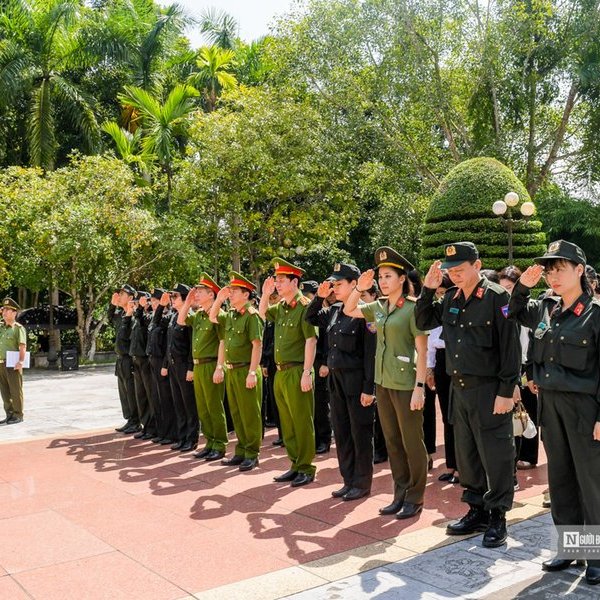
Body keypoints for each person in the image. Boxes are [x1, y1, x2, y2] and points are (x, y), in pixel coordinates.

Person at [415, 242, 521, 548]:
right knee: (468, 453)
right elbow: (423, 322)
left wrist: (506, 391)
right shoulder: (449, 298)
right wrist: (426, 290)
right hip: (460, 389)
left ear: (478, 264)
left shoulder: (498, 297)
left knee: (496, 455)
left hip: (490, 390)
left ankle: (498, 515)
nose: (455, 276)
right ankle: (477, 509)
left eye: (460, 270)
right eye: (451, 271)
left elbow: (510, 349)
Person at [507, 240, 600, 585]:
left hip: (584, 408)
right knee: (560, 479)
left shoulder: (595, 315)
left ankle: (595, 556)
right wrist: (522, 287)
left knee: (590, 482)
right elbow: (513, 312)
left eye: (560, 268)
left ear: (579, 270)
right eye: (549, 270)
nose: (552, 276)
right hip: (551, 405)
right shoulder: (546, 308)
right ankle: (570, 548)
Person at [345, 247, 428, 519]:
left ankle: (415, 497)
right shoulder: (378, 306)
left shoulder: (412, 308)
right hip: (384, 381)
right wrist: (360, 287)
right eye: (380, 276)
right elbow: (349, 309)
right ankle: (400, 493)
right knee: (392, 441)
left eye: (388, 276)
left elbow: (422, 349)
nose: (382, 281)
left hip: (406, 383)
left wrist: (419, 387)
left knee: (411, 442)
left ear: (402, 279)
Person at [306, 263, 376, 501]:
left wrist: (369, 388)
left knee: (360, 432)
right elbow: (311, 317)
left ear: (354, 284)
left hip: (357, 381)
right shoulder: (335, 310)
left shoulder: (366, 311)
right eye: (333, 284)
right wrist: (319, 297)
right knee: (343, 432)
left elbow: (371, 354)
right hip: (336, 381)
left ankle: (362, 482)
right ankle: (348, 480)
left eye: (338, 284)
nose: (334, 287)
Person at [260, 258, 318, 488]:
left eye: (281, 280)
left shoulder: (304, 306)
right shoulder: (282, 308)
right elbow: (262, 313)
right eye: (276, 280)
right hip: (280, 372)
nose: (277, 284)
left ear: (295, 282)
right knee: (287, 421)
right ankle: (294, 464)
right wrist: (264, 294)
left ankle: (306, 467)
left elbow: (311, 340)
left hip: (297, 370)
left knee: (302, 421)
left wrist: (306, 372)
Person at [210, 271, 263, 471]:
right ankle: (241, 450)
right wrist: (220, 299)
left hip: (245, 370)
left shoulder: (252, 315)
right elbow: (213, 316)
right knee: (237, 413)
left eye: (234, 291)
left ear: (246, 295)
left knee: (250, 413)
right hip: (231, 370)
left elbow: (257, 345)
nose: (230, 294)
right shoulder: (231, 314)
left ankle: (252, 453)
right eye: (230, 291)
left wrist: (252, 372)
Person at [179, 274, 228, 461]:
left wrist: (219, 367)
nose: (196, 295)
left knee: (214, 406)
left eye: (200, 292)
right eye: (196, 291)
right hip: (198, 366)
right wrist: (188, 302)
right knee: (203, 408)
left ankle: (220, 444)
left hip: (211, 364)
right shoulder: (199, 315)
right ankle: (209, 442)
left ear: (211, 294)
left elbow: (223, 342)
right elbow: (181, 320)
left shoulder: (219, 316)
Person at [499, 266, 539, 474]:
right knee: (514, 412)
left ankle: (530, 455)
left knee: (529, 410)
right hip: (511, 365)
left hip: (526, 365)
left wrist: (530, 371)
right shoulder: (502, 310)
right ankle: (514, 455)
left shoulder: (531, 309)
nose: (507, 292)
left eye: (510, 287)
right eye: (503, 287)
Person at [425, 273, 458, 484]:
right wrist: (430, 369)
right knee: (447, 416)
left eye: (444, 292)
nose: (441, 297)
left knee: (459, 417)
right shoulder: (438, 310)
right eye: (438, 293)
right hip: (440, 361)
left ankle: (464, 467)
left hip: (456, 360)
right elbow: (430, 340)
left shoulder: (459, 307)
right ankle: (451, 465)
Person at [164, 284, 198, 453]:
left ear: (185, 298)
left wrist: (191, 367)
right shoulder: (174, 316)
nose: (172, 299)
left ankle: (191, 438)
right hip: (173, 366)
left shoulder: (189, 317)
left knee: (188, 403)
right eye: (171, 297)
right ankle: (182, 436)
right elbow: (169, 344)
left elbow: (192, 344)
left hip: (185, 365)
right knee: (178, 403)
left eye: (175, 296)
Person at [302, 279, 332, 454]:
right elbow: (309, 317)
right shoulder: (321, 311)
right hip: (313, 361)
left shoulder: (333, 312)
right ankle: (315, 437)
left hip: (324, 362)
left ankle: (324, 438)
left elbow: (328, 341)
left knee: (321, 403)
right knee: (313, 403)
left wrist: (325, 363)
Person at [143, 288, 176, 444]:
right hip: (153, 361)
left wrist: (165, 365)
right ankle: (161, 431)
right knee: (157, 398)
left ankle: (170, 433)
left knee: (166, 399)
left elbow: (168, 345)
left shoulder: (169, 317)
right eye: (154, 302)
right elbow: (154, 323)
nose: (155, 304)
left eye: (158, 301)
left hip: (163, 363)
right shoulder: (156, 318)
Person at [360, 282, 388, 464]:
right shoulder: (360, 314)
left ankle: (381, 450)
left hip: (381, 368)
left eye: (363, 296)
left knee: (381, 415)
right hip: (364, 368)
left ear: (373, 296)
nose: (361, 300)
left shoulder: (375, 314)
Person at [108, 284, 139, 434]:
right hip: (120, 358)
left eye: (122, 294)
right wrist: (112, 306)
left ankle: (135, 421)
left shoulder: (132, 315)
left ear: (131, 298)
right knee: (123, 392)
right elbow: (110, 320)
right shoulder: (121, 314)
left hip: (129, 358)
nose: (119, 297)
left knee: (131, 391)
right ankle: (129, 419)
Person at [129, 291, 157, 441]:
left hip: (146, 360)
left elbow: (143, 318)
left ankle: (153, 427)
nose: (135, 305)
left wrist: (140, 309)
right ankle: (146, 426)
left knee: (149, 395)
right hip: (137, 359)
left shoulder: (150, 317)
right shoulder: (138, 317)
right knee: (140, 395)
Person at [0, 298, 27, 425]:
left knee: (15, 390)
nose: (4, 312)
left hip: (12, 363)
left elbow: (22, 346)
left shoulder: (18, 328)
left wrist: (21, 361)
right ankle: (9, 414)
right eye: (3, 310)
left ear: (14, 312)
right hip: (0, 364)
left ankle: (18, 414)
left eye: (7, 310)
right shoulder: (2, 328)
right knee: (4, 391)